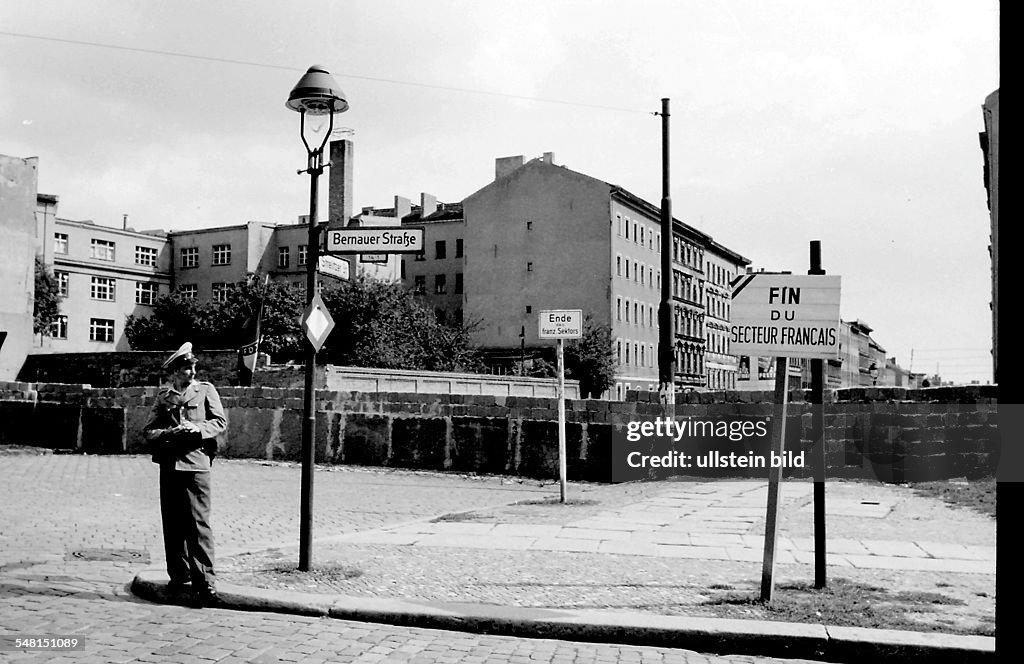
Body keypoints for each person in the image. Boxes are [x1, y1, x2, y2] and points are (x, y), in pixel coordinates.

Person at [144, 342, 227, 607]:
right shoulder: (163, 398)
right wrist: (168, 434)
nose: (191, 373)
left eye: (193, 368)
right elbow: (148, 431)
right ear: (173, 373)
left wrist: (197, 429)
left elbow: (219, 422)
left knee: (198, 525)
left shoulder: (205, 391)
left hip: (196, 465)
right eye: (185, 369)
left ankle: (206, 585)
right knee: (173, 524)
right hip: (170, 466)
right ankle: (179, 576)